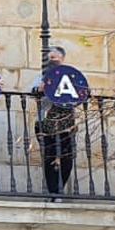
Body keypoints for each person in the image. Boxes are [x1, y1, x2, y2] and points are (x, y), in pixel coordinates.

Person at [32, 46, 77, 196]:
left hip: (66, 122)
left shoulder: (70, 76)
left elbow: (81, 92)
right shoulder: (41, 76)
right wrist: (40, 89)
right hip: (46, 120)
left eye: (55, 59)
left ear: (62, 59)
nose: (53, 62)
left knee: (67, 158)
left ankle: (59, 189)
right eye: (50, 59)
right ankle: (53, 192)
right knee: (50, 156)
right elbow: (32, 91)